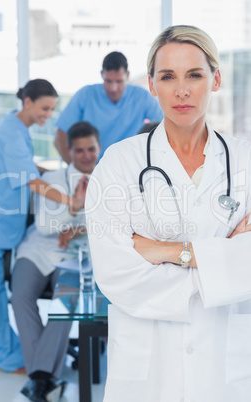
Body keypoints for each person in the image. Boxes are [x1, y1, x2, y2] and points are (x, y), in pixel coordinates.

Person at [85, 25, 251, 402]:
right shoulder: (119, 163)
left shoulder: (246, 161)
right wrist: (220, 260)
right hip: (147, 373)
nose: (182, 90)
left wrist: (166, 251)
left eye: (194, 74)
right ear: (151, 84)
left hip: (226, 370)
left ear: (216, 79)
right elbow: (114, 272)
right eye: (168, 76)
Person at [0, 79, 86, 375]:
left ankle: (7, 351)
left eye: (52, 109)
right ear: (28, 102)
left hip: (3, 225)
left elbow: (27, 167)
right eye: (44, 108)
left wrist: (59, 172)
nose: (48, 115)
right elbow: (32, 182)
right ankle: (3, 356)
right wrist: (71, 201)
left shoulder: (15, 128)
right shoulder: (13, 136)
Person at [11, 121, 100, 402]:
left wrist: (78, 228)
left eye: (92, 149)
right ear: (69, 151)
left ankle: (38, 378)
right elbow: (44, 226)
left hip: (75, 254)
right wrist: (75, 207)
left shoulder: (109, 182)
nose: (86, 156)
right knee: (20, 296)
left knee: (67, 297)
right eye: (80, 150)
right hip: (37, 251)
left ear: (99, 148)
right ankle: (46, 375)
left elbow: (107, 224)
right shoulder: (51, 180)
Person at [54, 51, 163, 162]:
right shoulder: (85, 95)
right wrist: (76, 171)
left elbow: (167, 124)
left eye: (119, 81)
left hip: (129, 169)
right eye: (108, 81)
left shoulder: (141, 96)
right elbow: (60, 137)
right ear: (102, 75)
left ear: (128, 75)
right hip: (91, 171)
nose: (113, 88)